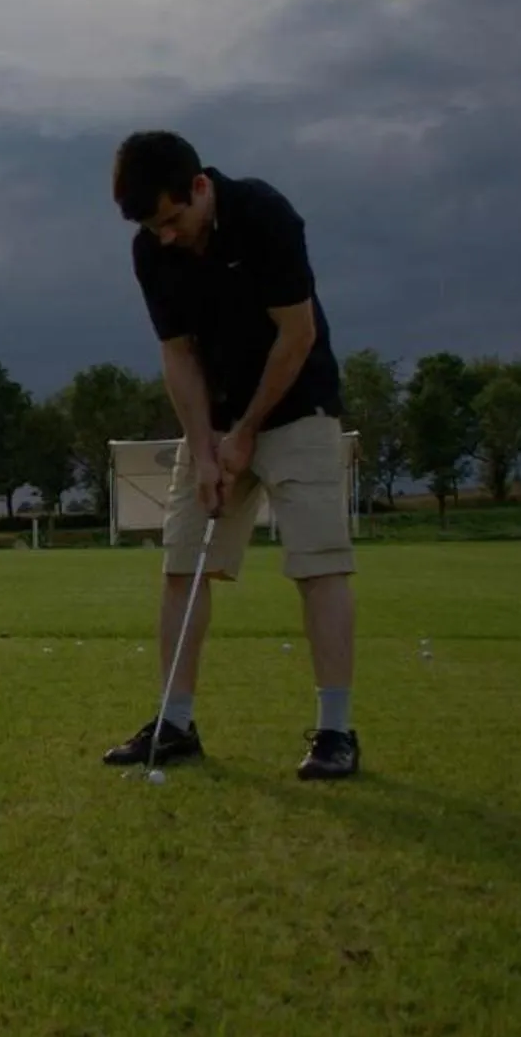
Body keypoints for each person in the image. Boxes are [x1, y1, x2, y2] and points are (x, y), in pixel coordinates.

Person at [99, 131, 360, 780]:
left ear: (199, 188)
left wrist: (246, 431)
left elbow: (296, 336)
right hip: (215, 420)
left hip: (297, 403)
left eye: (171, 220)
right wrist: (205, 449)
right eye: (151, 227)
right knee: (182, 564)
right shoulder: (151, 251)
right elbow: (179, 355)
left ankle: (336, 732)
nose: (164, 236)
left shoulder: (264, 215)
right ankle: (175, 722)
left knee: (318, 565)